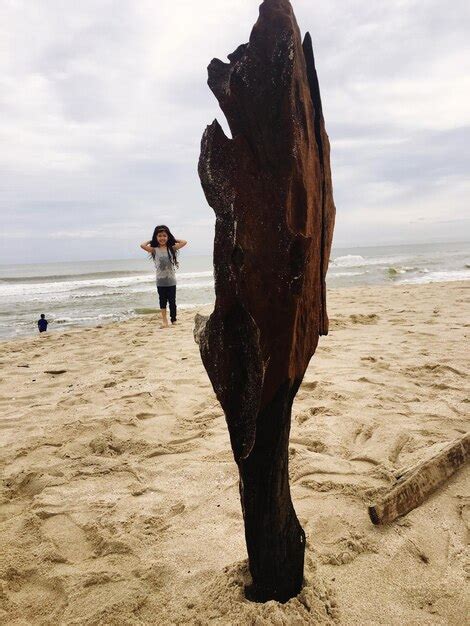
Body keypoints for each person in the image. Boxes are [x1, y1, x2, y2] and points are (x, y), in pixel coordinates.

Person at [140, 225, 187, 328]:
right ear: (156, 237)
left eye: (164, 236)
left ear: (168, 237)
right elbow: (142, 245)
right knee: (162, 302)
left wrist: (173, 239)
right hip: (160, 281)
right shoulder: (154, 250)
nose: (162, 238)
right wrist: (151, 240)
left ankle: (173, 320)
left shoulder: (172, 248)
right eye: (159, 236)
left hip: (171, 281)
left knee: (172, 302)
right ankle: (165, 321)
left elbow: (184, 242)